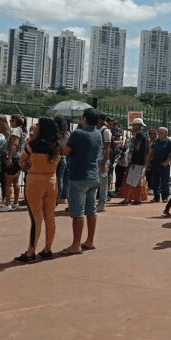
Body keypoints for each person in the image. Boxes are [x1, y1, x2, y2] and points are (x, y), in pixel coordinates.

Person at [15, 117, 61, 262]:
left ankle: (31, 252)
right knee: (50, 217)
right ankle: (47, 249)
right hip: (52, 180)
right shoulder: (57, 145)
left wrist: (28, 166)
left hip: (35, 180)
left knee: (36, 218)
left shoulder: (33, 144)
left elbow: (21, 161)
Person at [60, 108, 103, 255]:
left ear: (84, 118)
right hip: (93, 176)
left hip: (78, 176)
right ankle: (89, 241)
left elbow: (66, 152)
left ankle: (76, 244)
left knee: (77, 212)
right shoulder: (98, 133)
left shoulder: (78, 133)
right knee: (91, 210)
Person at [120, 118, 148, 205]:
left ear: (138, 126)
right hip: (140, 161)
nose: (133, 127)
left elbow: (137, 147)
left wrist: (132, 150)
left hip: (136, 161)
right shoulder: (143, 135)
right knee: (138, 181)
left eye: (134, 125)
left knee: (131, 180)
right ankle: (137, 199)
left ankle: (127, 199)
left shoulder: (139, 135)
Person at [2, 115, 27, 211]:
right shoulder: (23, 131)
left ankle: (8, 203)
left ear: (16, 121)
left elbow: (14, 145)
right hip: (19, 157)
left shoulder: (16, 131)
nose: (10, 122)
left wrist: (9, 157)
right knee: (16, 181)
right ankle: (15, 202)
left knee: (8, 182)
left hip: (14, 158)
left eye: (12, 120)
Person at [149, 127, 171, 202]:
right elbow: (152, 150)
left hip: (164, 164)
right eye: (159, 132)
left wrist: (167, 161)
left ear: (166, 134)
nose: (159, 134)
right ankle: (156, 197)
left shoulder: (169, 142)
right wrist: (149, 160)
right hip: (155, 163)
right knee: (155, 181)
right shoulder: (156, 141)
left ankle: (165, 197)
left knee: (164, 182)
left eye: (161, 132)